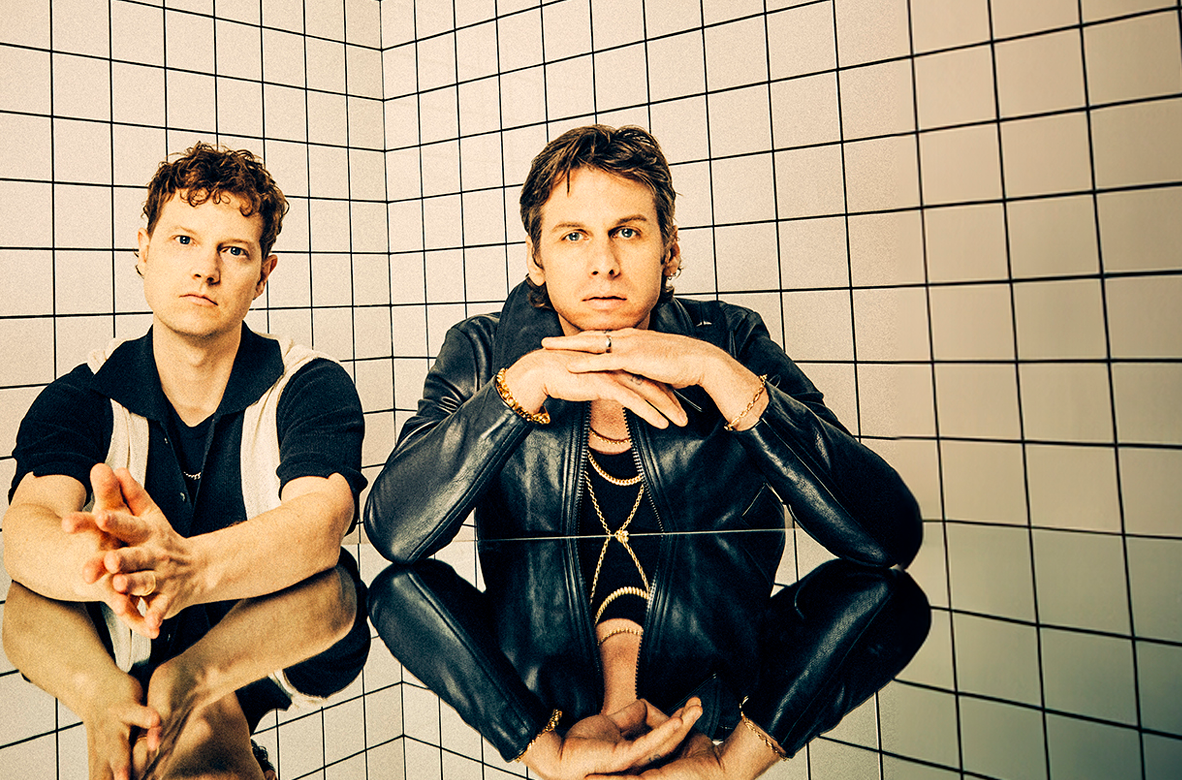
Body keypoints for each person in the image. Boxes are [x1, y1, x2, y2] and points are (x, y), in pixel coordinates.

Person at [364, 125, 930, 779]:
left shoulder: (732, 341)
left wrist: (718, 374)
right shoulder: (484, 352)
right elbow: (395, 539)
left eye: (628, 232)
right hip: (590, 693)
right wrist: (521, 388)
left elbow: (886, 541)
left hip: (706, 678)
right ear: (536, 260)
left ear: (670, 251)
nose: (603, 262)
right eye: (573, 235)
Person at [1, 143, 369, 780]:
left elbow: (322, 522)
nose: (206, 269)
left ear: (263, 275)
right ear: (142, 252)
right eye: (183, 240)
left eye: (234, 250)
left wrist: (187, 569)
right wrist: (114, 580)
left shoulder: (308, 383)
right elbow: (27, 534)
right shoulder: (82, 395)